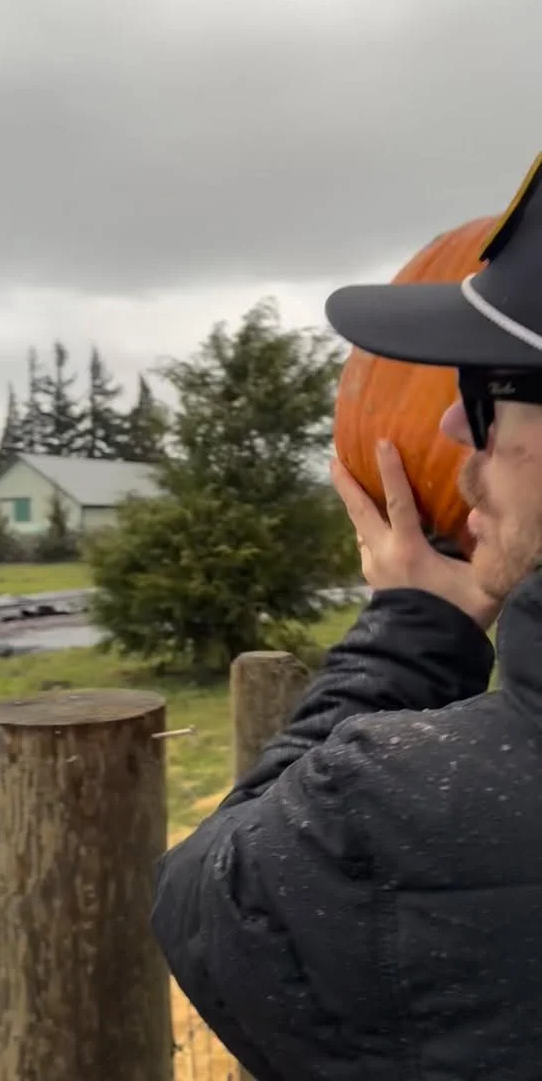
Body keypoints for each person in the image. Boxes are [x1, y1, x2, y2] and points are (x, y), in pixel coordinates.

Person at [151, 151, 542, 1080]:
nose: (449, 427)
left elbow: (209, 899)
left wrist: (414, 628)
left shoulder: (402, 820)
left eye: (489, 387)